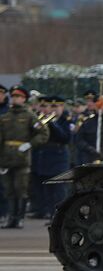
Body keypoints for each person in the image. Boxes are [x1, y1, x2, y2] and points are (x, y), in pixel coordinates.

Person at [1, 85, 50, 228]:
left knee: (20, 189)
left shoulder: (29, 116)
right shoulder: (5, 117)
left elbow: (43, 133)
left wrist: (30, 144)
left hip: (22, 158)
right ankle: (11, 218)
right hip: (6, 158)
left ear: (24, 99)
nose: (15, 99)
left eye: (19, 97)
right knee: (9, 190)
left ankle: (19, 218)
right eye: (14, 96)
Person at [30, 96, 74, 219]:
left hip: (59, 158)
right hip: (44, 158)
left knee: (58, 191)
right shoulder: (42, 119)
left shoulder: (66, 119)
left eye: (55, 106)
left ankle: (61, 216)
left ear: (62, 107)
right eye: (50, 106)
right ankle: (50, 215)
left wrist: (52, 124)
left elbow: (65, 137)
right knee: (47, 190)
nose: (52, 109)